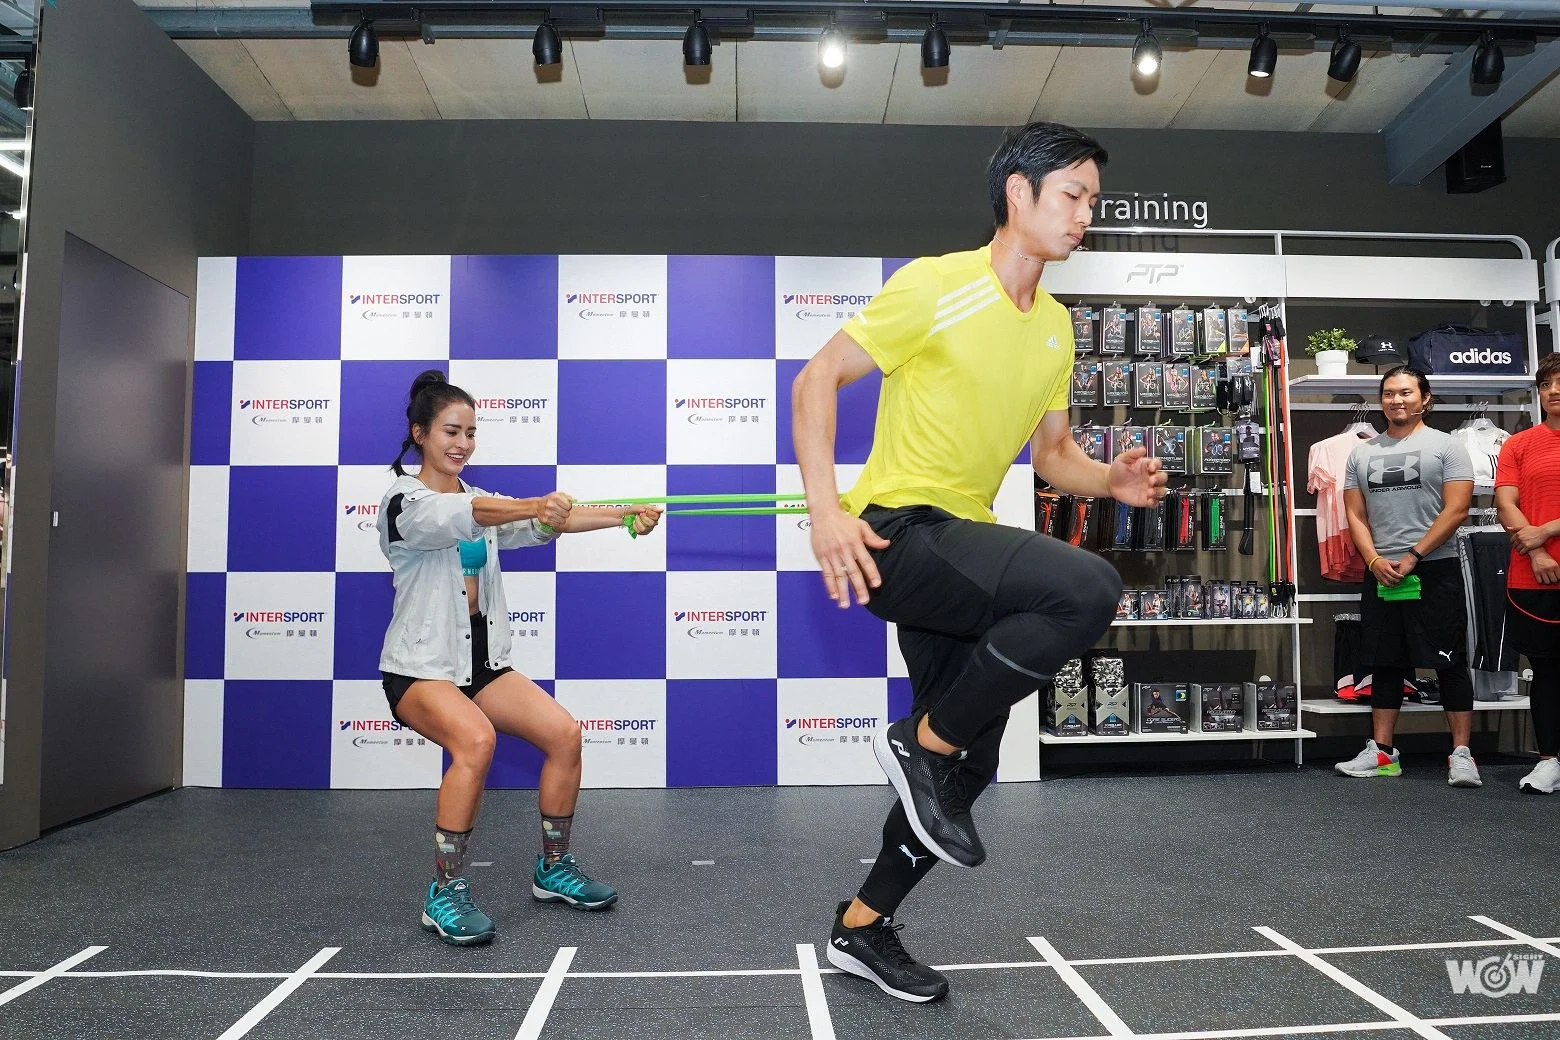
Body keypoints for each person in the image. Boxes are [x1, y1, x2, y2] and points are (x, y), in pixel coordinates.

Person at [791, 121, 1166, 1003]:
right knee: (1087, 588)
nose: (1086, 214)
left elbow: (1053, 455)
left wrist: (1109, 480)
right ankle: (918, 743)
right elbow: (815, 379)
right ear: (1018, 194)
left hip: (960, 547)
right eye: (1072, 196)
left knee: (969, 771)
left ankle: (862, 926)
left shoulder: (1057, 328)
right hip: (901, 533)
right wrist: (826, 512)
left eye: (1093, 200)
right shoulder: (936, 284)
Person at [378, 369, 662, 946]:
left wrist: (622, 514)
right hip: (420, 669)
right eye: (451, 431)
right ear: (420, 434)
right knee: (475, 741)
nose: (463, 443)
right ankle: (444, 891)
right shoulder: (405, 502)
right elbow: (469, 515)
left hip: (481, 664)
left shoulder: (480, 499)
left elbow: (542, 521)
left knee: (564, 734)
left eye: (471, 433)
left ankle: (553, 869)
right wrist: (536, 503)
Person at [1335, 366, 1479, 786]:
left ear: (1425, 398)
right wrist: (1373, 560)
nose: (1396, 400)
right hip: (1382, 572)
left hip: (1435, 568)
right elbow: (1354, 514)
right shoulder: (1361, 453)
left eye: (1405, 392)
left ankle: (1461, 755)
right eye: (1388, 393)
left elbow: (1457, 509)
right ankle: (1382, 753)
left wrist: (1415, 554)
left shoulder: (1447, 446)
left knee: (1449, 660)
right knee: (1384, 660)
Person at [1494, 352, 1560, 793]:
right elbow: (1505, 503)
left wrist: (1547, 530)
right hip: (1533, 576)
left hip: (1540, 551)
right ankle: (1549, 760)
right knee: (1546, 671)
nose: (1554, 391)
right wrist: (1536, 550)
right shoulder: (1518, 444)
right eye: (1546, 384)